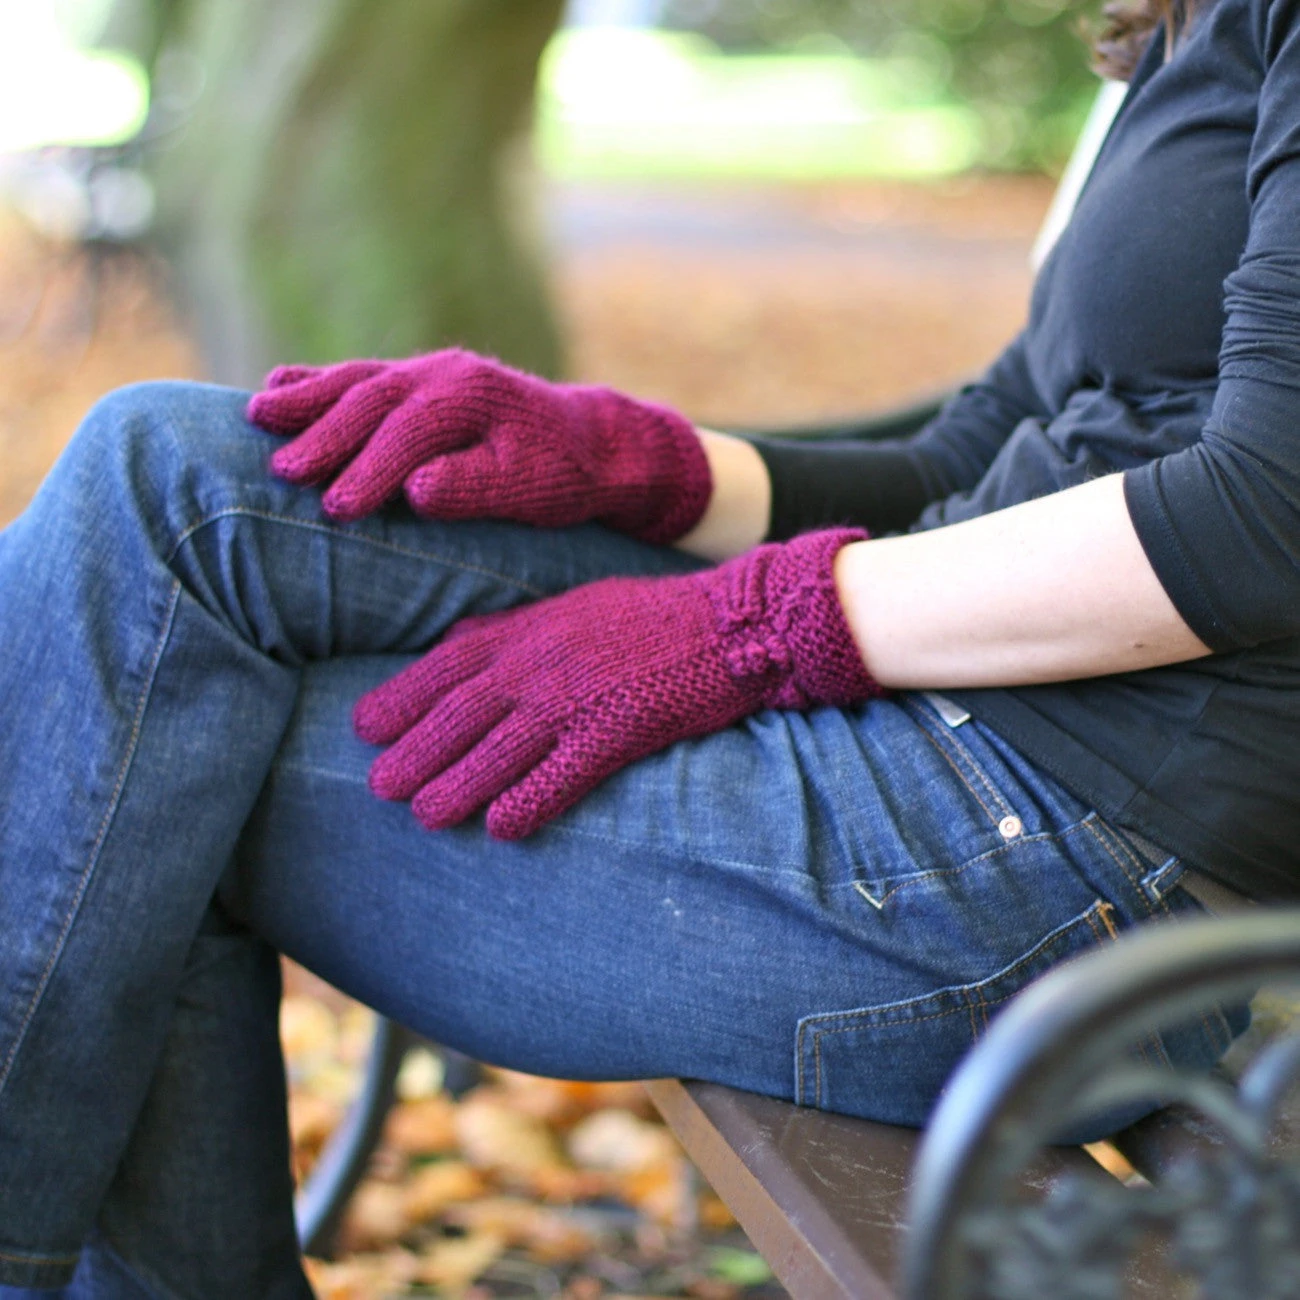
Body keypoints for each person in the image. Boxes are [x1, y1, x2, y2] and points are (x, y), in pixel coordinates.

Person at [2, 0, 1297, 1291]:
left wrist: (747, 623)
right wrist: (642, 464)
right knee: (167, 482)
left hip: (1068, 857)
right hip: (950, 694)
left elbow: (1264, 521)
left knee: (122, 753)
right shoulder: (1184, 24)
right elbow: (982, 447)